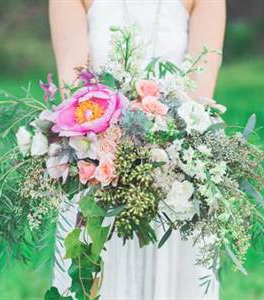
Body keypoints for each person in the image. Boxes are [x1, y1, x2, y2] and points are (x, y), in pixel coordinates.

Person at [49, 0, 226, 299]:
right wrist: (113, 148)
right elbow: (74, 89)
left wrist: (158, 147)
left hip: (174, 169)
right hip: (98, 164)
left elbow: (200, 95)